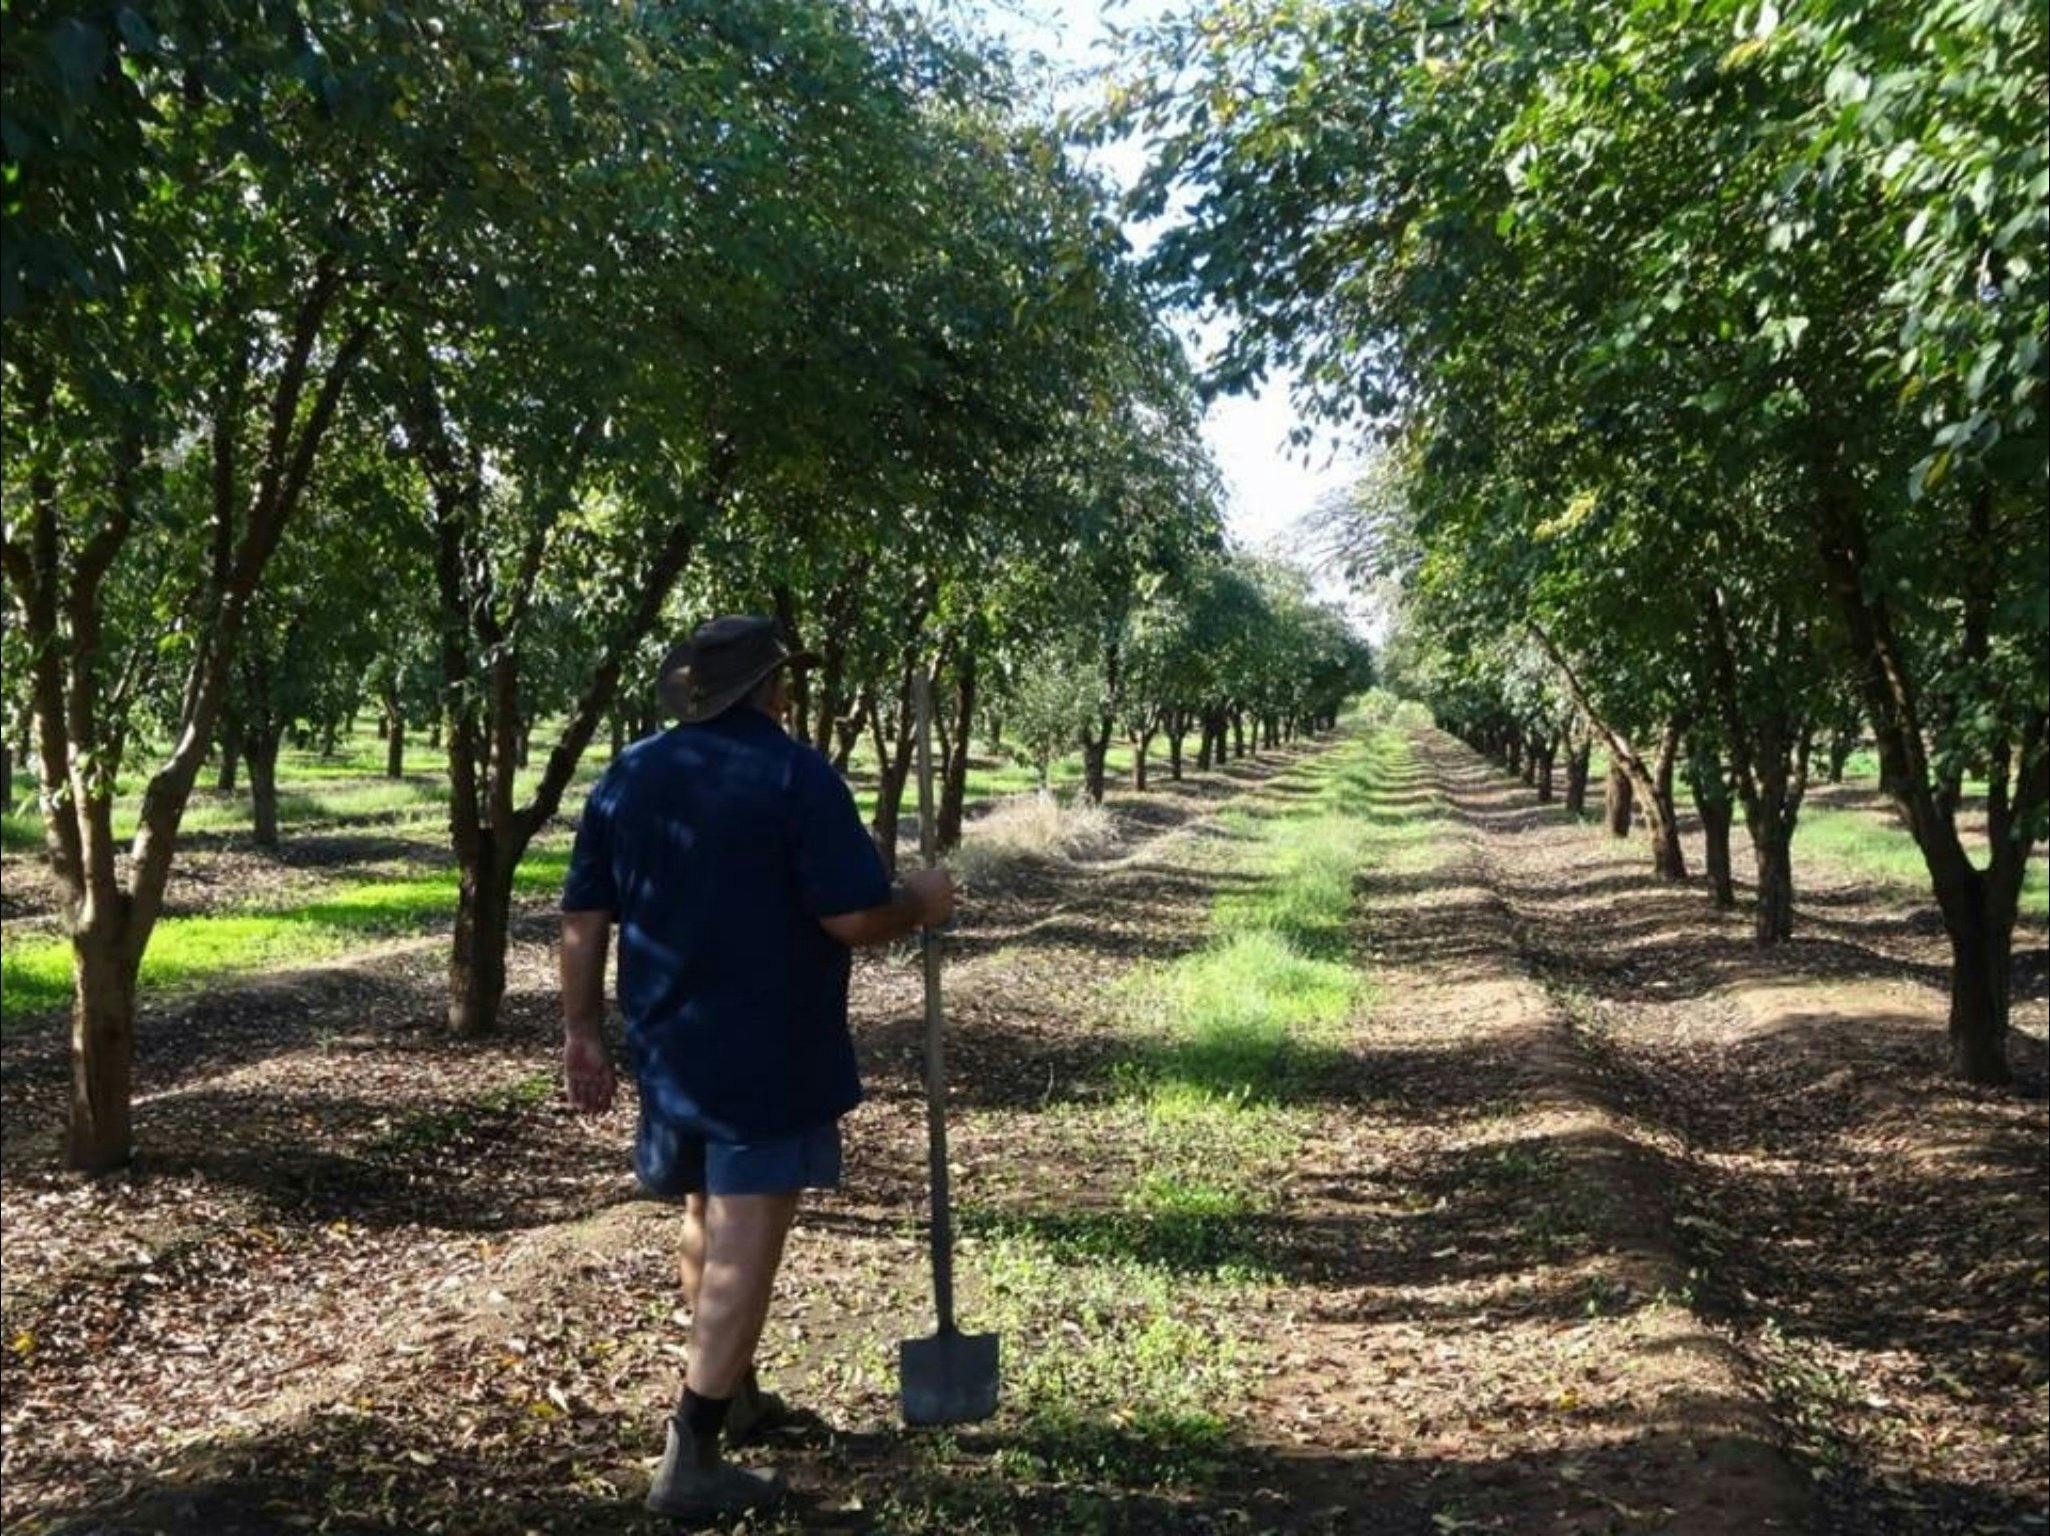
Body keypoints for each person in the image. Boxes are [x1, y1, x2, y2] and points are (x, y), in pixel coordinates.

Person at [557, 614, 954, 1519]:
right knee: (749, 1226)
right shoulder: (794, 773)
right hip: (770, 1045)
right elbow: (851, 916)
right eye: (783, 680)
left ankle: (732, 1393)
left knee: (706, 1211)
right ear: (765, 691)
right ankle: (692, 1450)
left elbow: (583, 923)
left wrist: (583, 1030)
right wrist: (921, 904)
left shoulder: (629, 773)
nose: (789, 693)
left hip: (670, 1044)